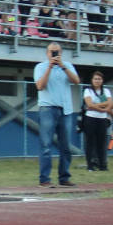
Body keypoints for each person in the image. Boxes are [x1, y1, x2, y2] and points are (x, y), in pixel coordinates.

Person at [33, 41, 78, 187]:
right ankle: (44, 179)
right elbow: (40, 86)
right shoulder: (40, 67)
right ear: (47, 53)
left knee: (65, 145)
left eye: (57, 52)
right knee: (46, 144)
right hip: (48, 108)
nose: (54, 54)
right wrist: (50, 67)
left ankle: (64, 177)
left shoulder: (68, 66)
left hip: (66, 109)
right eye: (52, 52)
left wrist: (63, 67)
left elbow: (76, 81)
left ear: (61, 53)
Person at [81, 70, 112, 172]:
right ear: (92, 80)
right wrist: (102, 108)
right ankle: (90, 166)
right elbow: (88, 104)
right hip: (90, 118)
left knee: (102, 143)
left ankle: (103, 165)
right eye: (95, 79)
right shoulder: (87, 91)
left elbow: (109, 103)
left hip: (102, 119)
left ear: (102, 80)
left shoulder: (106, 91)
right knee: (90, 142)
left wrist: (95, 106)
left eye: (99, 79)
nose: (97, 81)